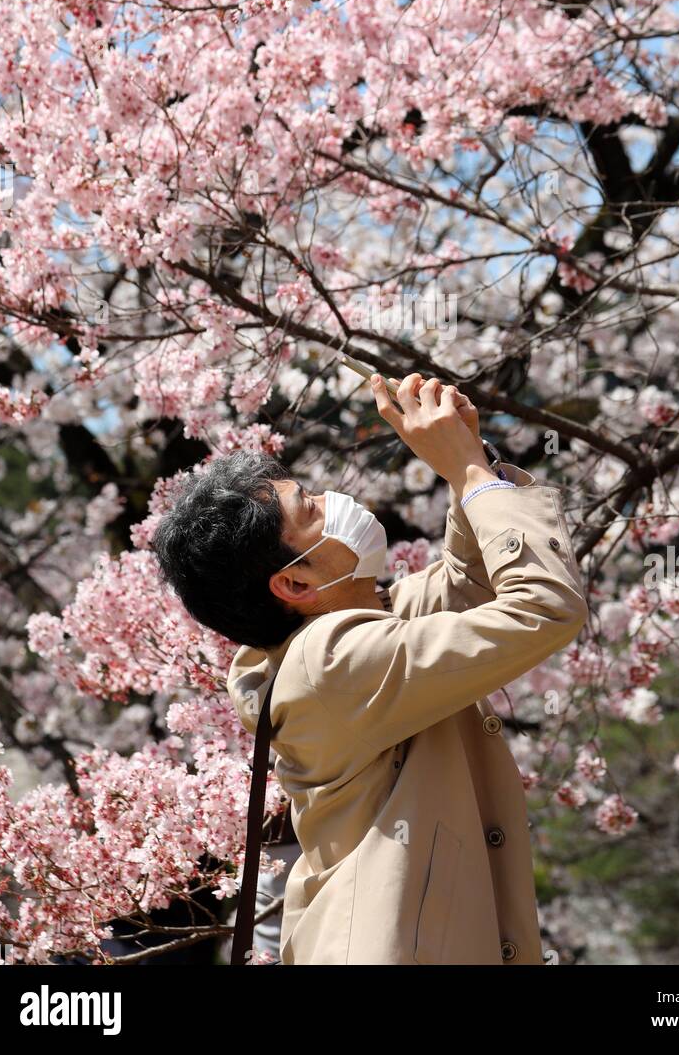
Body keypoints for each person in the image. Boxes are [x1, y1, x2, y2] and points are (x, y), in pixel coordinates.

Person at [152, 371, 588, 964]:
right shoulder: (331, 663)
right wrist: (467, 473)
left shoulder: (350, 634)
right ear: (295, 581)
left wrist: (470, 456)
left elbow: (470, 588)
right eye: (310, 507)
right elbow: (543, 606)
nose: (334, 503)